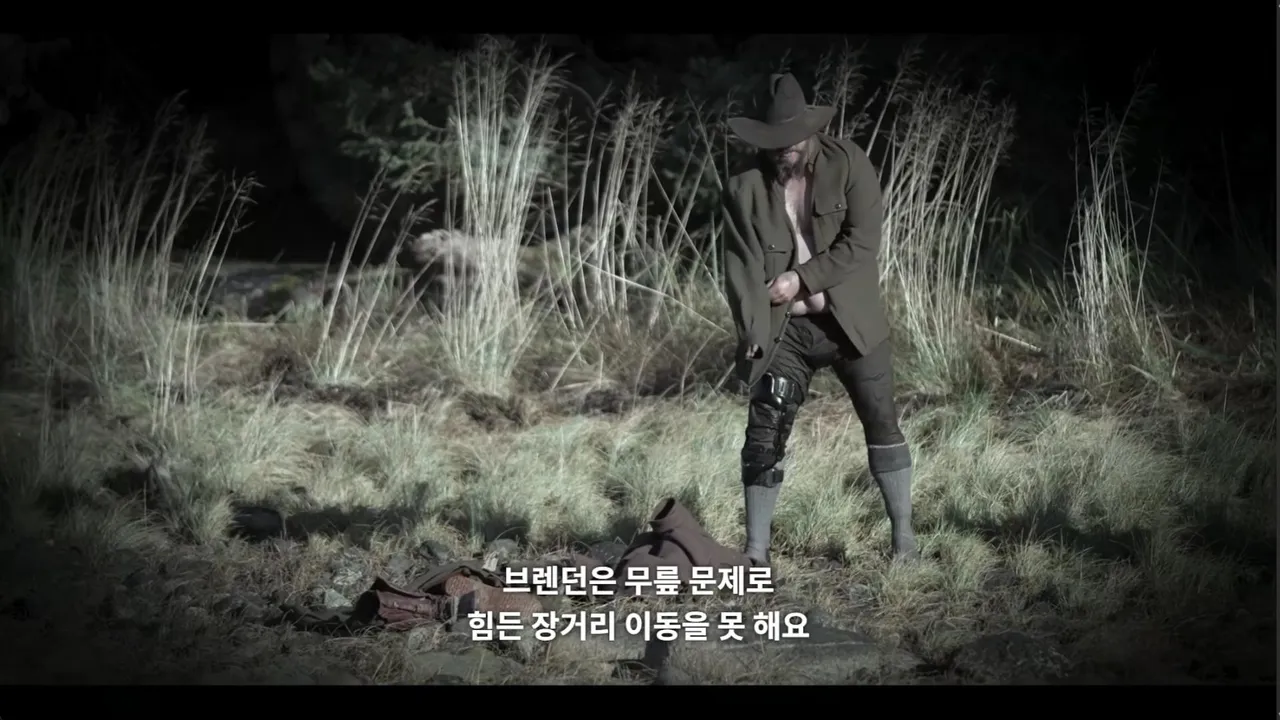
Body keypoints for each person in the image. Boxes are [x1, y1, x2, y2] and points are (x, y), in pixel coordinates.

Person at [722, 73, 917, 565]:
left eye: (791, 140)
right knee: (765, 429)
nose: (783, 150)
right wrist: (751, 328)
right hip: (786, 329)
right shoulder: (744, 186)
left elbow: (862, 243)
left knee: (881, 421)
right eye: (773, 142)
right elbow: (740, 268)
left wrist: (800, 279)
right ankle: (755, 554)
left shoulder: (848, 163)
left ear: (809, 130)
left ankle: (905, 544)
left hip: (851, 322)